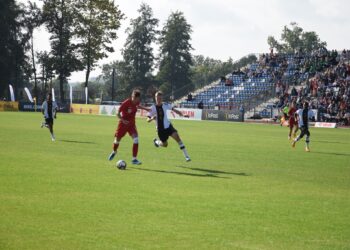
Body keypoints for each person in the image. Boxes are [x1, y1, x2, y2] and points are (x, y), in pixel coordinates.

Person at [108, 90, 149, 165]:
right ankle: (114, 151)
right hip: (123, 124)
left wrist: (147, 109)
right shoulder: (126, 103)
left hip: (131, 125)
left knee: (136, 139)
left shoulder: (137, 102)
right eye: (132, 96)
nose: (133, 98)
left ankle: (134, 159)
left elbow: (138, 106)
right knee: (117, 140)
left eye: (135, 97)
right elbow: (117, 113)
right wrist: (122, 120)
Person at [147, 91, 191, 162]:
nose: (158, 100)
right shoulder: (153, 108)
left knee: (178, 138)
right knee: (165, 145)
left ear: (162, 98)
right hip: (160, 130)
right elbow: (147, 119)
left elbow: (174, 110)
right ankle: (157, 142)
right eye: (157, 98)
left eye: (160, 98)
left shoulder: (165, 105)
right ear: (155, 98)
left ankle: (187, 156)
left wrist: (183, 115)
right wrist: (151, 118)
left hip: (168, 127)